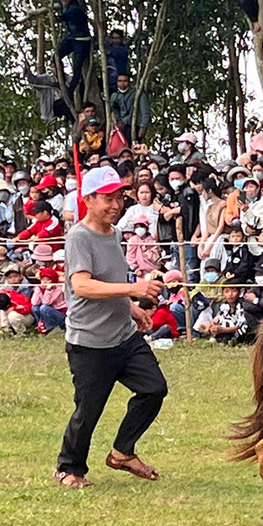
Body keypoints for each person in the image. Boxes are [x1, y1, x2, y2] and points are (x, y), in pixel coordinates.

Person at [55, 165, 168, 490]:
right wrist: (133, 291)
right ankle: (69, 468)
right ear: (88, 199)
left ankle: (122, 453)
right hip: (90, 343)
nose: (116, 204)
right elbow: (83, 286)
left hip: (123, 337)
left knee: (153, 389)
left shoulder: (115, 234)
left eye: (119, 197)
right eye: (107, 198)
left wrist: (131, 310)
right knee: (88, 411)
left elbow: (110, 282)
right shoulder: (79, 237)